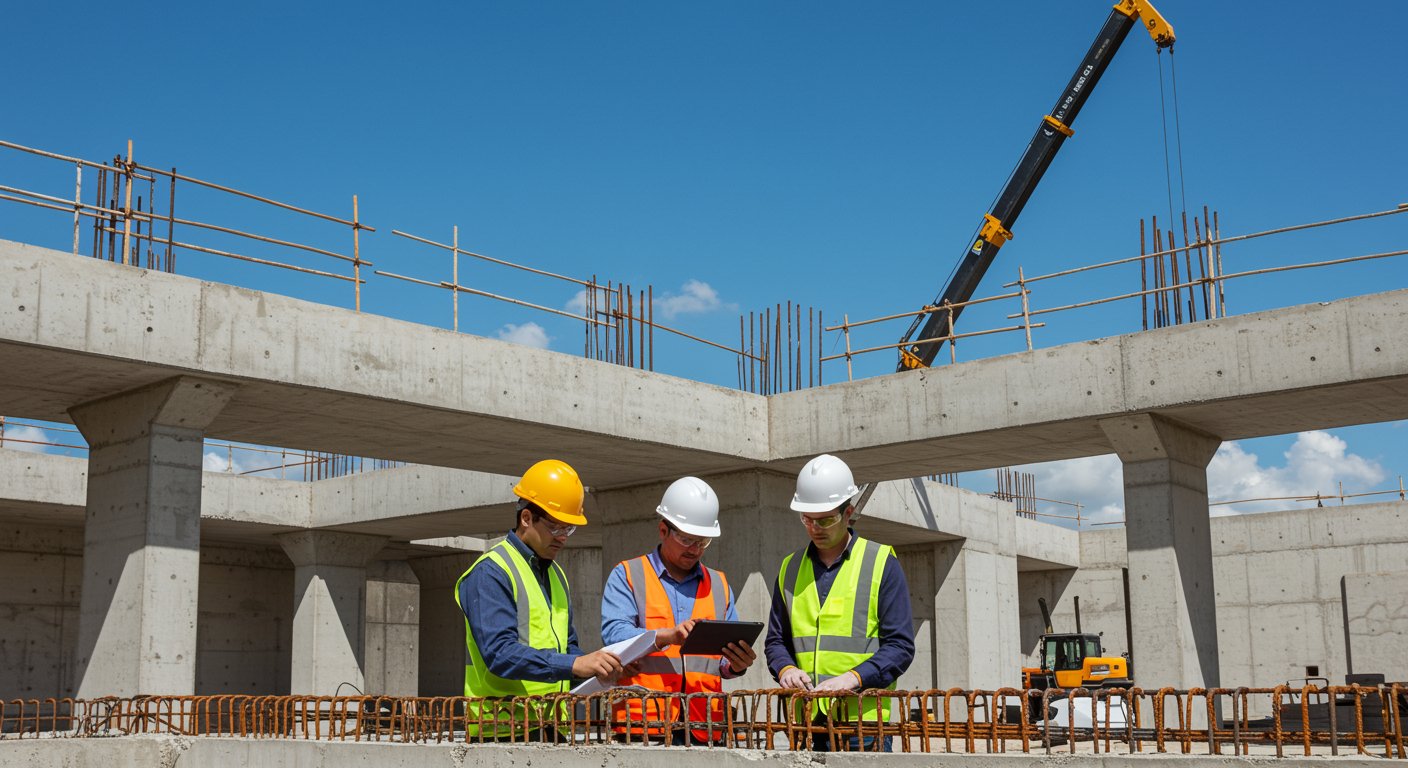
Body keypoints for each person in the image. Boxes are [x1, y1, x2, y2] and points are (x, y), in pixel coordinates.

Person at [455, 459, 626, 740]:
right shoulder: (491, 572)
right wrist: (574, 665)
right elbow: (499, 653)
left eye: (569, 529)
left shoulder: (556, 574)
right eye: (556, 527)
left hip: (551, 726)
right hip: (501, 730)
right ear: (526, 518)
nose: (563, 538)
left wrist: (594, 667)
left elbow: (566, 646)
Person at [765, 454, 915, 752]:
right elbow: (776, 640)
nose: (815, 528)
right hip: (806, 721)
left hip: (863, 724)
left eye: (825, 520)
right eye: (807, 519)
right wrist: (785, 669)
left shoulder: (880, 562)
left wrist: (853, 678)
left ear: (848, 513)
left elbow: (900, 647)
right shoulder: (790, 568)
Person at [601, 476, 757, 744]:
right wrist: (666, 636)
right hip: (644, 724)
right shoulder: (628, 574)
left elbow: (721, 663)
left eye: (702, 542)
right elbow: (615, 635)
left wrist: (735, 665)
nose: (695, 550)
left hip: (704, 726)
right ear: (663, 531)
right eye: (686, 539)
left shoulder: (719, 584)